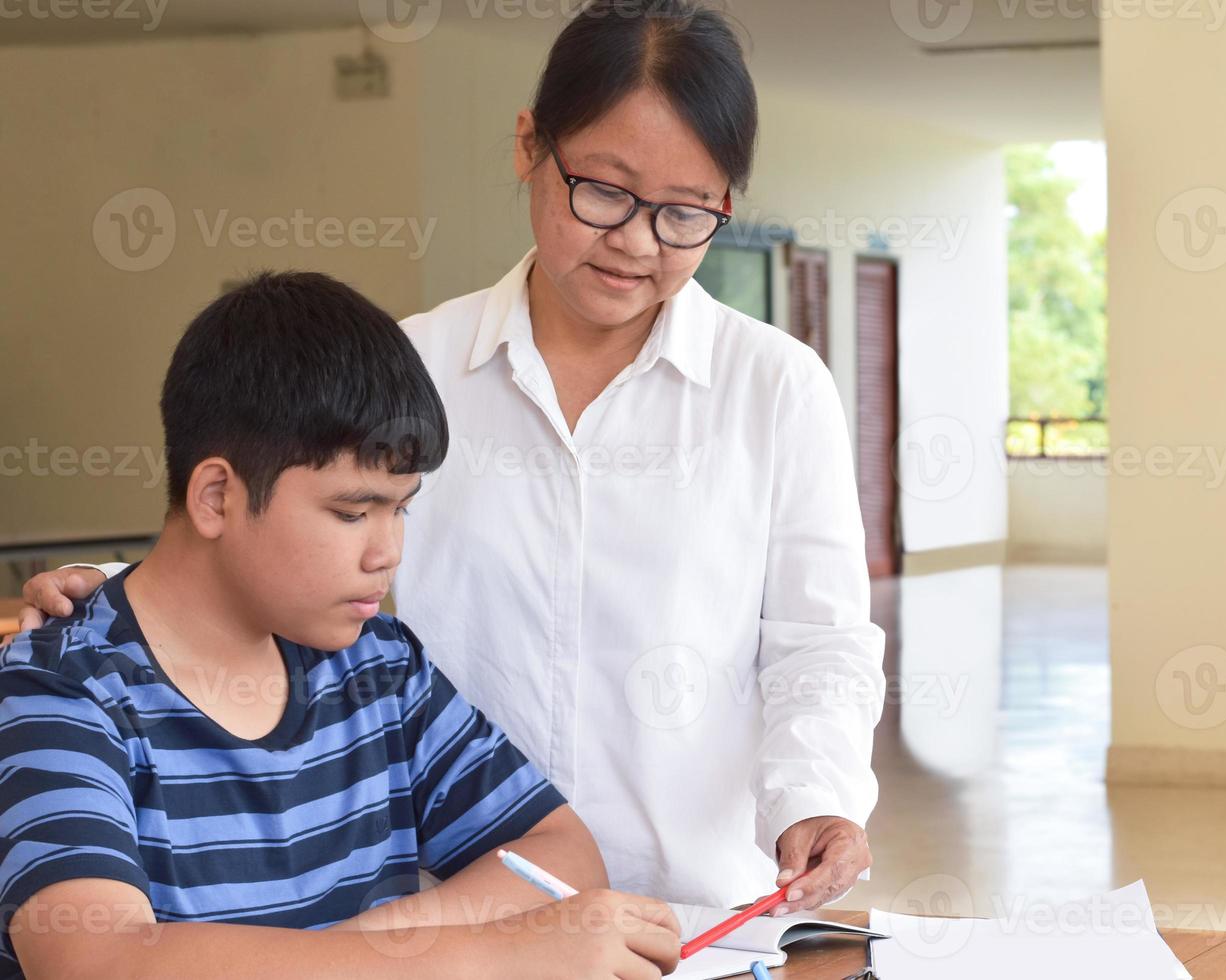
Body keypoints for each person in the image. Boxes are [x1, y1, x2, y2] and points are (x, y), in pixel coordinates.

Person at [19, 0, 884, 913]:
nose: (636, 240)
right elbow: (291, 544)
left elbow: (818, 641)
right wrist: (118, 589)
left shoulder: (776, 389)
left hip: (693, 909)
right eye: (605, 191)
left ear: (725, 207)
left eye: (683, 213)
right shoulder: (418, 365)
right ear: (528, 147)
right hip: (459, 903)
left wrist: (816, 797)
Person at [0, 273, 679, 980]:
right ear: (216, 497)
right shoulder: (59, 686)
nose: (387, 551)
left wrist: (374, 942)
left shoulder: (377, 667)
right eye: (353, 513)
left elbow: (559, 851)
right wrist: (489, 953)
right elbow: (95, 963)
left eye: (400, 509)